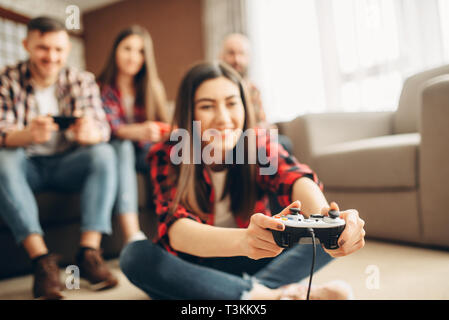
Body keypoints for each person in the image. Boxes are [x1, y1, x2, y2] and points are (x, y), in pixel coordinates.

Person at [119, 62, 365, 300]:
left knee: (324, 239)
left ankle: (247, 293)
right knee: (135, 255)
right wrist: (244, 241)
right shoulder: (168, 153)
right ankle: (276, 294)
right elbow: (178, 231)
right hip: (198, 262)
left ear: (244, 107)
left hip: (257, 257)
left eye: (231, 103)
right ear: (188, 112)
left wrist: (327, 223)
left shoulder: (257, 142)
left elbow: (293, 176)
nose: (223, 118)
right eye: (207, 106)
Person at [0, 17, 118, 299]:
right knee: (3, 158)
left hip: (67, 164)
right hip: (25, 164)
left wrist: (91, 133)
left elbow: (103, 128)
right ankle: (41, 262)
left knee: (104, 153)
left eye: (58, 50)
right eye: (43, 48)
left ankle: (89, 254)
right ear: (27, 45)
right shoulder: (7, 78)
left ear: (67, 50)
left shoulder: (81, 80)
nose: (51, 57)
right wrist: (27, 134)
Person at [98, 25, 170, 244]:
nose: (133, 57)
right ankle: (132, 235)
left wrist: (159, 131)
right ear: (115, 52)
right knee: (124, 147)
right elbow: (107, 127)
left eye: (140, 51)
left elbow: (166, 125)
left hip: (147, 152)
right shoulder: (100, 87)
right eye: (127, 49)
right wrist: (138, 131)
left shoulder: (153, 87)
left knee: (171, 151)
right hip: (118, 153)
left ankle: (178, 227)